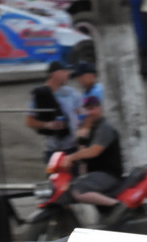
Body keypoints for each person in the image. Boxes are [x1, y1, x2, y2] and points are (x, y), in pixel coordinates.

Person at [60, 96, 128, 227]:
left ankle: (119, 207)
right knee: (71, 186)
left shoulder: (105, 128)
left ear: (99, 108)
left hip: (108, 174)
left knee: (78, 191)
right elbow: (84, 153)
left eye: (92, 108)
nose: (90, 112)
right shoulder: (94, 128)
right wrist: (82, 134)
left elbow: (94, 151)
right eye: (87, 109)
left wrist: (70, 157)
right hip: (96, 173)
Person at [27, 60, 80, 162]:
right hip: (52, 150)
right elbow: (29, 122)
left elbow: (82, 115)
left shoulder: (72, 93)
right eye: (64, 71)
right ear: (54, 74)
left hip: (73, 148)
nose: (67, 74)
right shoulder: (39, 94)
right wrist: (48, 125)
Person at [71, 61, 104, 129]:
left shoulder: (99, 90)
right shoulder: (85, 93)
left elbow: (93, 112)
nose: (78, 79)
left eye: (80, 76)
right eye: (77, 77)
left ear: (91, 75)